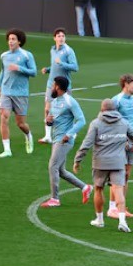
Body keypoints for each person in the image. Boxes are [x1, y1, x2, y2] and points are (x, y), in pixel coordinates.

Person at [74, 99, 133, 232]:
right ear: (115, 110)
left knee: (98, 189)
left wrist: (77, 160)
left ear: (102, 109)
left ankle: (100, 220)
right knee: (118, 190)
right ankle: (122, 221)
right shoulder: (124, 123)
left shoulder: (96, 123)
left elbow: (87, 144)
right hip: (118, 162)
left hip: (100, 163)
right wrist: (125, 143)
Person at [40, 76, 92, 208]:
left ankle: (55, 199)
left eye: (53, 85)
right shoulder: (54, 102)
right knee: (61, 170)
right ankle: (85, 187)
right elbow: (53, 121)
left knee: (52, 167)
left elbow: (81, 120)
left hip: (64, 141)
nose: (51, 87)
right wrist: (48, 121)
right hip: (57, 139)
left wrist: (69, 134)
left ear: (58, 86)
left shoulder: (70, 101)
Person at [0, 28, 36, 158]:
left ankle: (28, 135)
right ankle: (7, 150)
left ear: (19, 41)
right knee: (4, 116)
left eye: (13, 39)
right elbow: (3, 71)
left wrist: (19, 68)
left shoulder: (26, 55)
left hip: (21, 93)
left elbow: (33, 72)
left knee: (20, 124)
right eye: (9, 39)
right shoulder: (4, 56)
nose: (10, 41)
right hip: (6, 91)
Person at [108, 74, 133, 218]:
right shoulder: (116, 100)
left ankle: (121, 207)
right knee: (118, 175)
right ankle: (112, 208)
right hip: (119, 142)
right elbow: (110, 122)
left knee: (126, 175)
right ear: (126, 84)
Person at [39, 28, 79, 144]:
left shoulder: (68, 51)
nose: (61, 38)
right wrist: (48, 69)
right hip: (51, 84)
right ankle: (47, 136)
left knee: (66, 110)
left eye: (63, 36)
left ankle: (72, 132)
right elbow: (55, 66)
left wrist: (61, 63)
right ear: (54, 38)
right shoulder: (53, 50)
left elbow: (75, 67)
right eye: (59, 36)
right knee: (47, 109)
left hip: (64, 85)